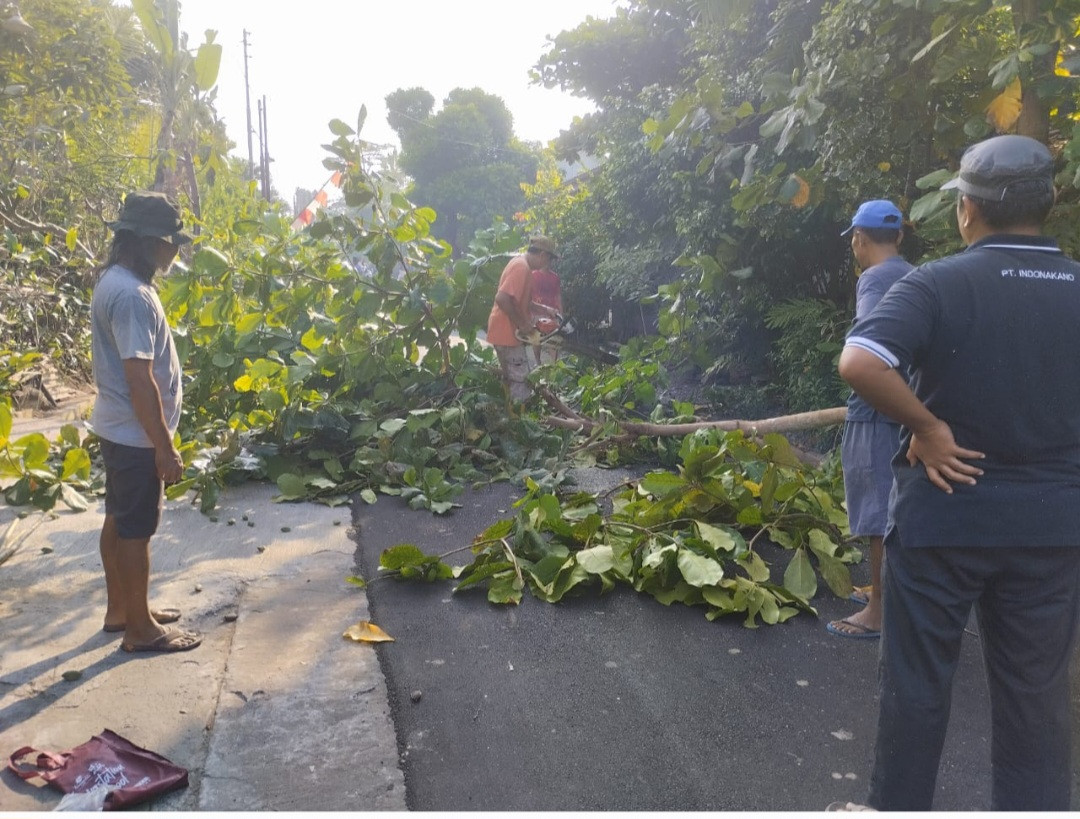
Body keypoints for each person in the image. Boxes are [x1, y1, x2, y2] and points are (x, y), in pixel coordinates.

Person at [838, 135, 1080, 810]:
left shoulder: (938, 282)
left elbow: (861, 362)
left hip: (945, 515)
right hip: (1051, 528)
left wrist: (927, 426)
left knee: (917, 689)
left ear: (966, 210)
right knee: (1037, 700)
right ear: (1051, 202)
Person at [92, 191, 201, 653]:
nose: (175, 252)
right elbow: (140, 380)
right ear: (150, 242)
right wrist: (164, 446)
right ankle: (140, 631)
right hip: (136, 436)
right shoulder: (134, 297)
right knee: (138, 530)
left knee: (119, 520)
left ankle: (124, 610)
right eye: (171, 243)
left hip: (118, 429)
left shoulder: (114, 282)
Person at [827, 201, 912, 640]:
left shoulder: (873, 280)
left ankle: (878, 609)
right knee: (896, 500)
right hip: (908, 406)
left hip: (877, 408)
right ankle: (886, 589)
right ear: (898, 237)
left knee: (876, 504)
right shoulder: (916, 275)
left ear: (859, 239)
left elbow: (870, 350)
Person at [486, 235, 559, 404]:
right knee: (521, 381)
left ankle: (509, 411)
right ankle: (520, 418)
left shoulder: (521, 265)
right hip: (506, 333)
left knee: (510, 377)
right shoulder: (521, 268)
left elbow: (519, 301)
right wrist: (524, 324)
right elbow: (502, 298)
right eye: (549, 259)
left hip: (504, 331)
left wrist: (546, 309)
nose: (548, 264)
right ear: (542, 255)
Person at [530, 262, 563, 366]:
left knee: (553, 339)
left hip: (552, 312)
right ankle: (537, 361)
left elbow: (558, 295)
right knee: (536, 338)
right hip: (537, 311)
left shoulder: (555, 277)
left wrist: (561, 311)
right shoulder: (533, 275)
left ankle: (554, 365)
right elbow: (529, 294)